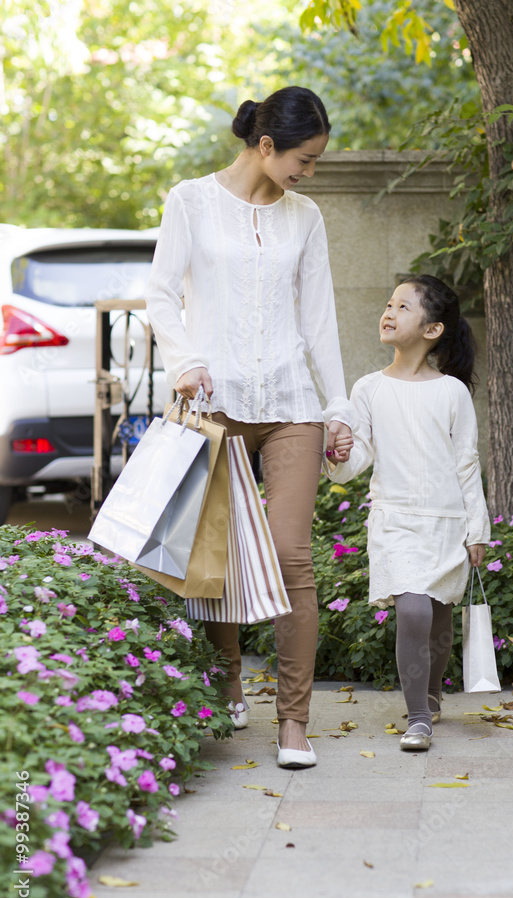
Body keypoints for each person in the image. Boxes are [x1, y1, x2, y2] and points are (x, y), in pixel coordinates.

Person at [146, 87, 355, 769]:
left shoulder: (306, 216)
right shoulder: (191, 201)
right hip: (215, 402)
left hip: (291, 400)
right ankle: (228, 676)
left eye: (316, 161)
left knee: (293, 558)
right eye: (304, 158)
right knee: (216, 558)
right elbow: (159, 293)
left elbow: (319, 316)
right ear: (265, 146)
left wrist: (339, 406)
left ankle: (293, 722)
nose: (309, 172)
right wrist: (184, 360)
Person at [327, 275, 489, 750]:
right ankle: (418, 716)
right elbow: (357, 457)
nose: (389, 312)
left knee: (439, 619)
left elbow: (467, 463)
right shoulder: (368, 388)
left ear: (433, 329)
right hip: (395, 520)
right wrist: (336, 454)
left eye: (403, 306)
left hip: (446, 525)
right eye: (388, 303)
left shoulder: (452, 393)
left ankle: (432, 694)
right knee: (414, 611)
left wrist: (476, 529)